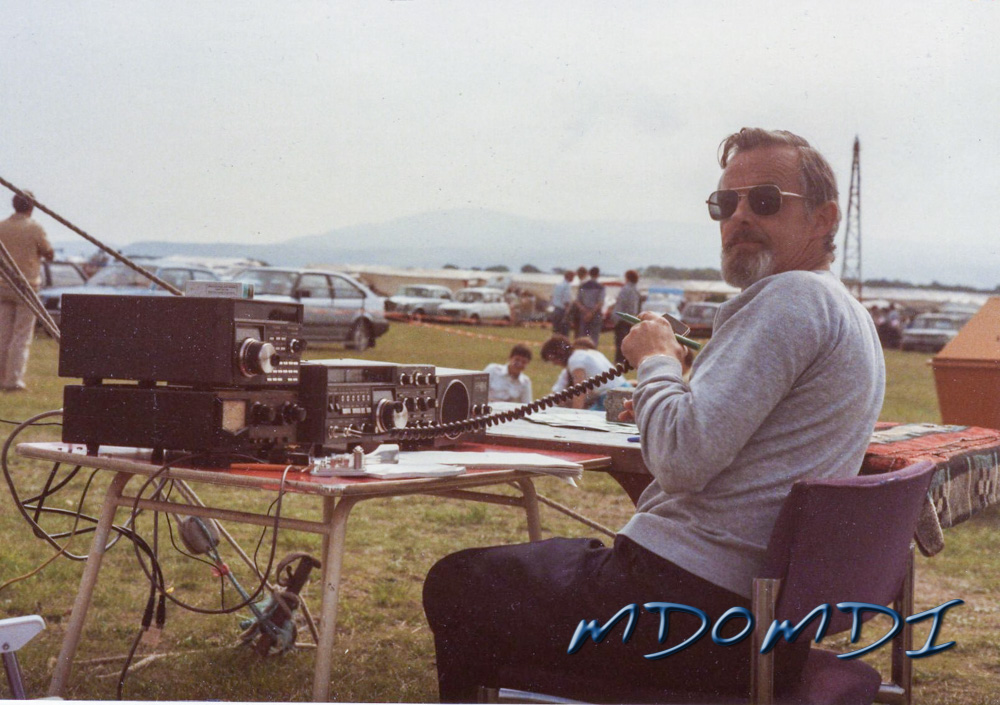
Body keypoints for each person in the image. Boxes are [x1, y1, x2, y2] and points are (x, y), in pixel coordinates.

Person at [422, 128, 885, 702]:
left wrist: (659, 362)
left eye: (764, 200)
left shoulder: (789, 299)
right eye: (725, 203)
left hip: (688, 609)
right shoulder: (847, 313)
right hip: (756, 618)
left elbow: (681, 460)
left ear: (823, 218)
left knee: (457, 581)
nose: (739, 216)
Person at [0, 190, 54, 392]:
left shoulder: (2, 226)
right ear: (31, 207)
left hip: (3, 285)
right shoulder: (34, 228)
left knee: (3, 334)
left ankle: (1, 378)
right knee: (21, 335)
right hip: (27, 285)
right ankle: (13, 381)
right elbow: (48, 252)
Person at [538, 334, 630, 411]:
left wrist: (576, 415)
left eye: (553, 359)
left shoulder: (575, 360)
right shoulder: (588, 353)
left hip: (612, 397)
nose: (554, 364)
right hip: (625, 390)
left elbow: (580, 392)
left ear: (559, 354)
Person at [612, 269, 641, 363]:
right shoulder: (636, 290)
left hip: (622, 319)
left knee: (620, 342)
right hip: (630, 319)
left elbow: (620, 304)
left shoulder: (625, 289)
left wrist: (615, 317)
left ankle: (619, 361)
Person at [575, 266, 605, 345]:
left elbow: (577, 301)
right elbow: (600, 302)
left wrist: (585, 311)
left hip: (584, 313)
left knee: (583, 336)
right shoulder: (601, 287)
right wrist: (591, 313)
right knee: (594, 337)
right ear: (598, 275)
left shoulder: (582, 286)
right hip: (595, 313)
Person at [549, 269, 575, 336]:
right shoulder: (567, 286)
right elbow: (566, 300)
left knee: (556, 332)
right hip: (563, 311)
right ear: (570, 276)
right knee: (564, 333)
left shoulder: (558, 285)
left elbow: (551, 296)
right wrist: (568, 313)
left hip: (556, 309)